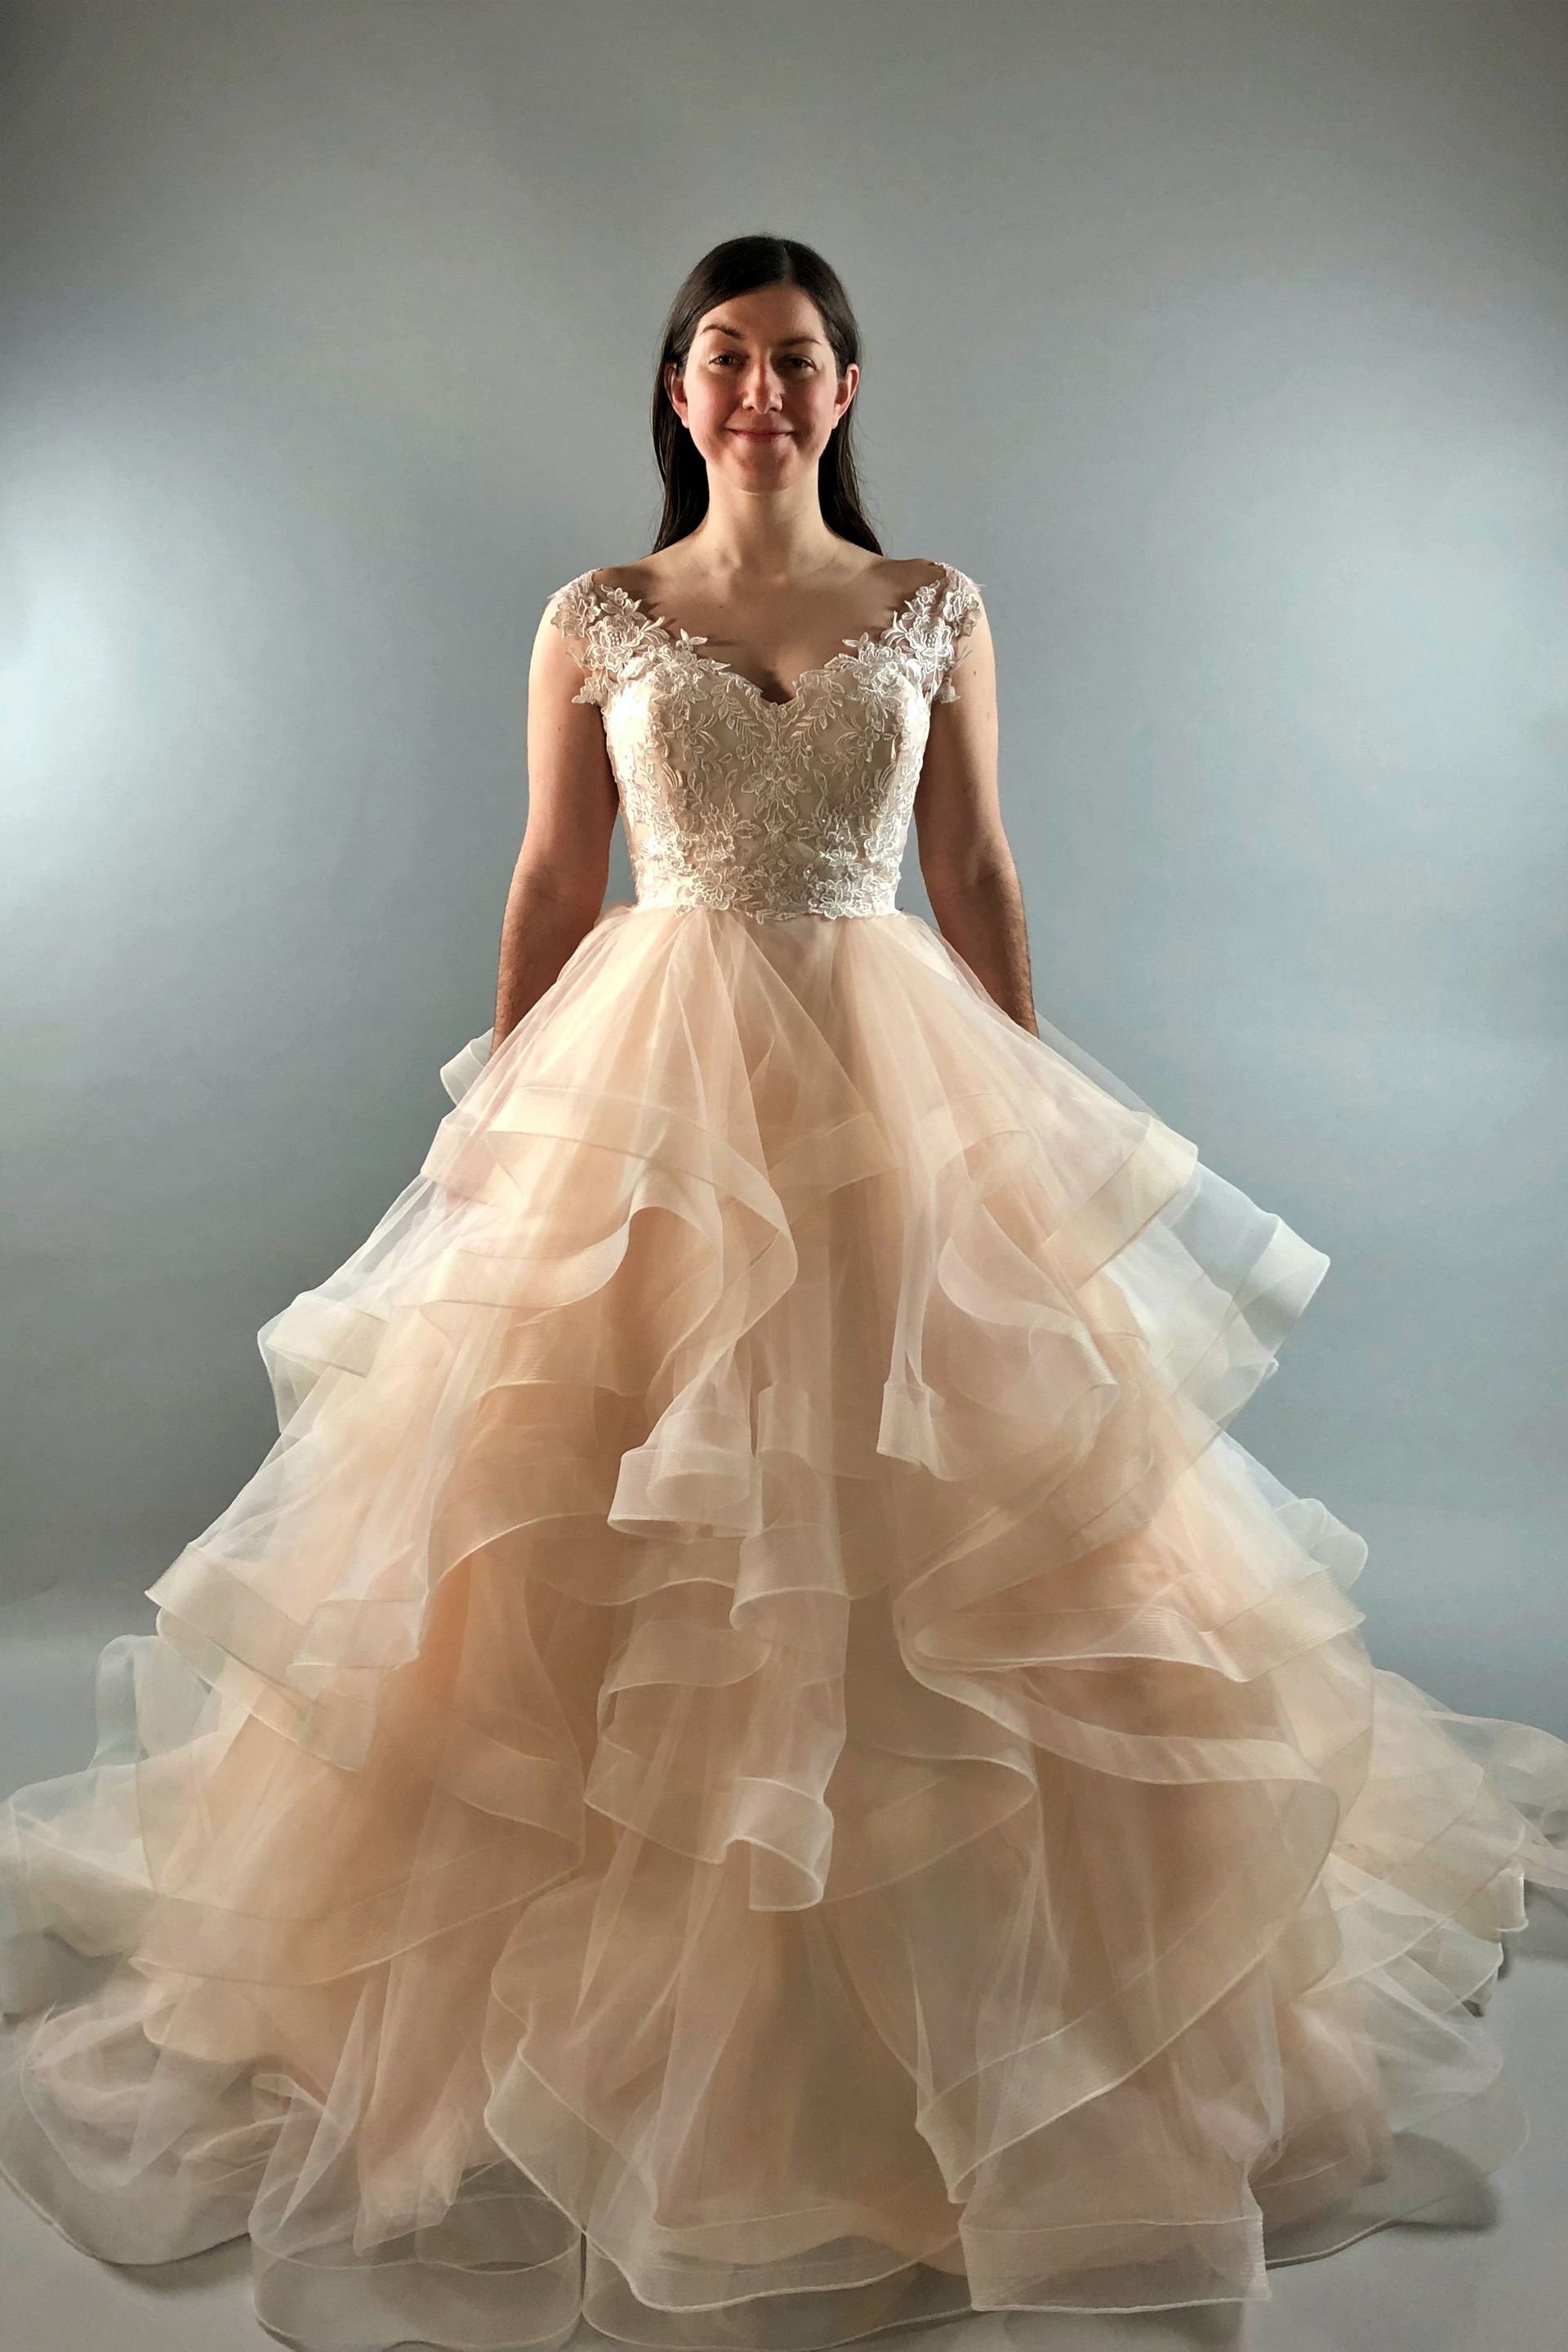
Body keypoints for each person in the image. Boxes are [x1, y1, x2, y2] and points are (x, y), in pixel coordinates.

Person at [1, 232, 1564, 2352]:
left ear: (846, 389)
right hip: (649, 1093)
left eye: (799, 358)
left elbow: (981, 869)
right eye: (728, 357)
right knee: (607, 1549)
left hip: (885, 1071)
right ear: (675, 389)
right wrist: (499, 1139)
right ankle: (615, 2042)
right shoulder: (596, 617)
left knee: (949, 1542)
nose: (763, 388)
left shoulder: (933, 608)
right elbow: (558, 881)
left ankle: (961, 2049)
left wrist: (1027, 1130)